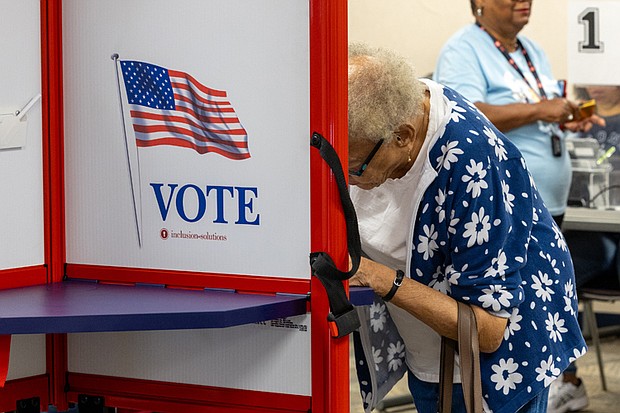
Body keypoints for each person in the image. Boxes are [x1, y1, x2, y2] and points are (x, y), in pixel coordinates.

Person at [348, 42, 586, 413]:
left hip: (500, 362)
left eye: (357, 168)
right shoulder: (393, 104)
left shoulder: (469, 163)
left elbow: (488, 331)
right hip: (429, 348)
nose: (350, 180)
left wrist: (381, 278)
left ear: (404, 136)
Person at [433, 2, 605, 412]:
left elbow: (538, 112)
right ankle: (516, 389)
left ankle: (556, 379)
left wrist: (561, 120)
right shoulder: (462, 50)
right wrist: (541, 110)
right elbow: (465, 114)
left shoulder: (532, 50)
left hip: (549, 205)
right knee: (515, 307)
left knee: (548, 297)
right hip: (505, 208)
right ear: (479, 4)